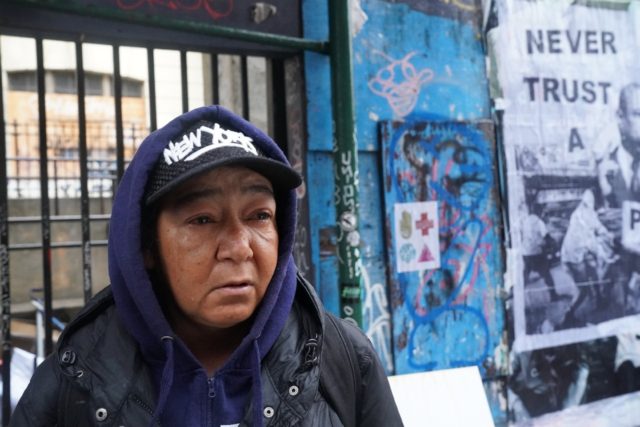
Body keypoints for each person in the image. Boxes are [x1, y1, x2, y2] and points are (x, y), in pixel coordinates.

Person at [10, 106, 403, 426]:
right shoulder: (75, 380)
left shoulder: (343, 360)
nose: (238, 247)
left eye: (259, 216)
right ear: (145, 246)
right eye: (202, 220)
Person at [521, 202, 560, 301]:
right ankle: (554, 296)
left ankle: (518, 298)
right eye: (542, 211)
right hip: (536, 253)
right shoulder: (539, 222)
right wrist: (554, 243)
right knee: (547, 274)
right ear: (538, 211)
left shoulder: (525, 221)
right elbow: (546, 237)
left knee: (525, 276)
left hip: (525, 253)